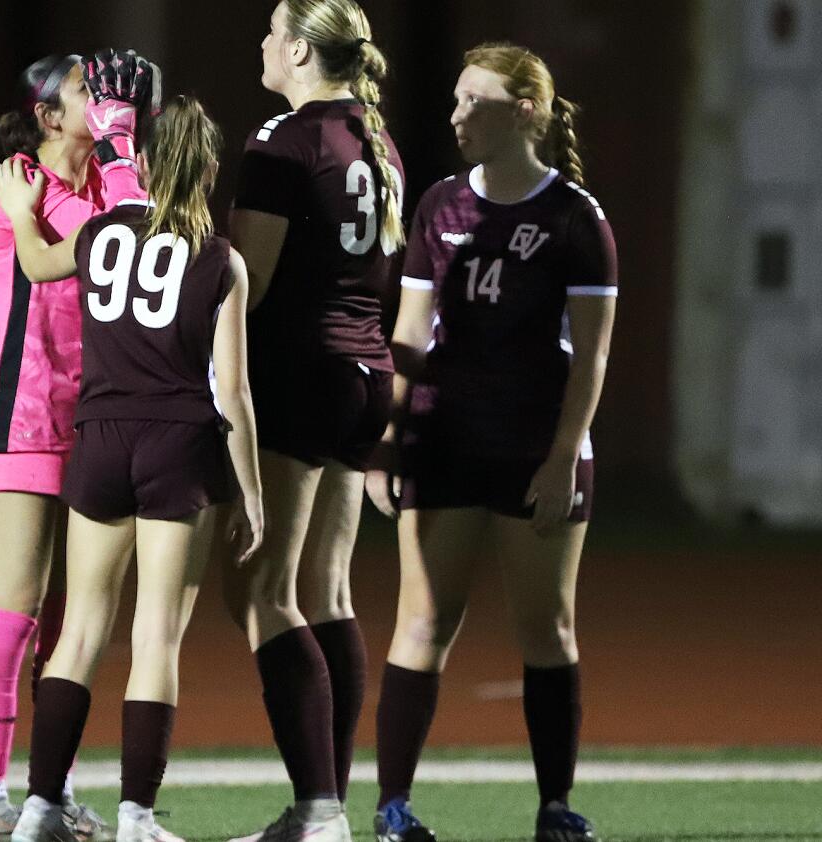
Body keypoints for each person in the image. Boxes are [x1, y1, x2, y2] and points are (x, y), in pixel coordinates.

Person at [0, 93, 264, 842]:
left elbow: (37, 262)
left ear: (140, 165)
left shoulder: (102, 229)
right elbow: (231, 392)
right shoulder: (220, 259)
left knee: (80, 630)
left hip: (102, 438)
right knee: (155, 638)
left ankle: (41, 806)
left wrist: (21, 210)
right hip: (177, 444)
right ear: (210, 170)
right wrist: (250, 491)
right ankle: (137, 817)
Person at [367, 42, 617, 842]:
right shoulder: (439, 203)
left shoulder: (576, 218)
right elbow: (407, 331)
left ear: (526, 112)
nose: (456, 115)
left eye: (475, 101)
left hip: (533, 446)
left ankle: (553, 807)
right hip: (443, 441)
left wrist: (560, 458)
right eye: (455, 98)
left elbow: (593, 357)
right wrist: (390, 438)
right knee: (422, 623)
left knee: (548, 628)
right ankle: (393, 808)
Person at [0, 50, 155, 842]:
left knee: (69, 622)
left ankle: (50, 791)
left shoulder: (101, 181)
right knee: (14, 609)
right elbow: (115, 242)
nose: (103, 98)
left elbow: (138, 236)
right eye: (86, 91)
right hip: (21, 410)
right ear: (47, 116)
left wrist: (118, 153)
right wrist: (120, 159)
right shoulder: (21, 179)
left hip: (90, 415)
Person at [224, 2, 405, 841]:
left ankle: (319, 807)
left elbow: (247, 286)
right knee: (326, 591)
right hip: (366, 374)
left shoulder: (282, 139)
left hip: (301, 373)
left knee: (262, 590)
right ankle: (323, 806)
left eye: (271, 32)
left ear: (299, 49)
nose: (262, 44)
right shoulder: (377, 138)